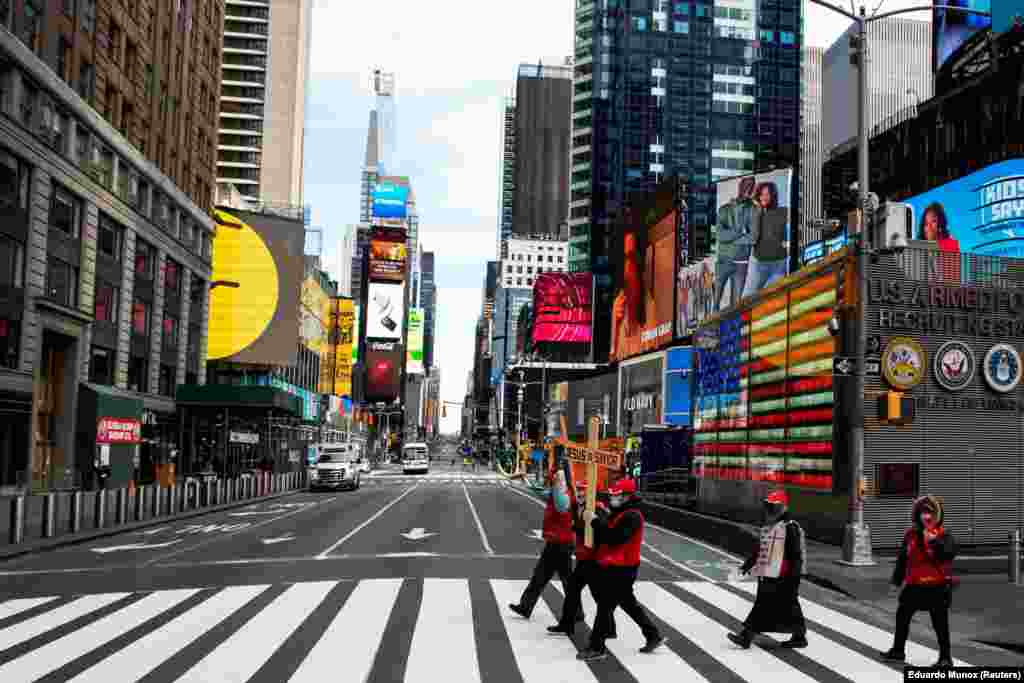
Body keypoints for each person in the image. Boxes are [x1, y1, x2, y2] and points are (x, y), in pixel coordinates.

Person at [577, 478, 663, 662]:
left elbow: (614, 538)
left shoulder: (632, 516)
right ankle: (653, 635)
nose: (612, 498)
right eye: (612, 494)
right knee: (628, 604)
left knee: (604, 607)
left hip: (621, 569)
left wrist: (594, 522)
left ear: (627, 496)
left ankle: (596, 647)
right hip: (616, 566)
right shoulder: (619, 512)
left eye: (616, 495)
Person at [881, 495, 957, 667]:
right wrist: (896, 582)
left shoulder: (944, 534)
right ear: (917, 514)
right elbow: (902, 559)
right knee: (902, 617)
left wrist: (934, 542)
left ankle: (945, 658)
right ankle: (897, 651)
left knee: (940, 623)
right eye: (923, 512)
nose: (926, 516)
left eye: (930, 513)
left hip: (936, 587)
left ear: (937, 515)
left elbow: (949, 554)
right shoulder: (910, 534)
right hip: (914, 586)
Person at [728, 489, 808, 649]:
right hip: (769, 574)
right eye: (769, 507)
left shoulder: (790, 527)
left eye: (774, 507)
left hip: (783, 577)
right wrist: (746, 567)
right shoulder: (771, 527)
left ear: (783, 508)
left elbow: (796, 556)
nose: (771, 511)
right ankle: (799, 636)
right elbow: (760, 550)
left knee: (773, 605)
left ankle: (747, 636)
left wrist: (794, 579)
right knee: (782, 606)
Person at [509, 468, 584, 622]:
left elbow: (560, 505)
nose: (552, 481)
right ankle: (526, 606)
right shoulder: (558, 494)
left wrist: (556, 481)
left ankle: (576, 612)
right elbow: (540, 491)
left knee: (563, 579)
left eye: (556, 478)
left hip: (562, 543)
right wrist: (525, 479)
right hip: (555, 542)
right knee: (542, 576)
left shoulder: (565, 497)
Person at [547, 481, 617, 638]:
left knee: (598, 596)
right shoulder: (576, 507)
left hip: (594, 560)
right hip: (583, 557)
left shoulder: (597, 509)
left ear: (590, 493)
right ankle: (567, 625)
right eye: (577, 489)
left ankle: (609, 629)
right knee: (574, 591)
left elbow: (604, 532)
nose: (579, 493)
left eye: (583, 490)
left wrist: (592, 521)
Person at [741, 181, 789, 300]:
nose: (764, 197)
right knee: (747, 299)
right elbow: (752, 237)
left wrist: (788, 243)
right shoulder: (753, 214)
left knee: (773, 298)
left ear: (773, 196)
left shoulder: (783, 211)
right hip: (759, 264)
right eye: (761, 194)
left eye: (767, 194)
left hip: (779, 264)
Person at [714, 176, 756, 311]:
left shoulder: (753, 210)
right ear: (740, 186)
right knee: (715, 302)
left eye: (751, 186)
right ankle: (711, 330)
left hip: (741, 263)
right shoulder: (724, 209)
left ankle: (732, 331)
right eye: (746, 185)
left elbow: (753, 238)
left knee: (735, 306)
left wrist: (731, 237)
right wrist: (740, 232)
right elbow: (720, 235)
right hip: (723, 261)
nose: (748, 188)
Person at [919, 202, 960, 283]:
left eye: (933, 221)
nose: (929, 227)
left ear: (940, 224)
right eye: (926, 224)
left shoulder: (950, 244)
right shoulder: (919, 247)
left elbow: (949, 279)